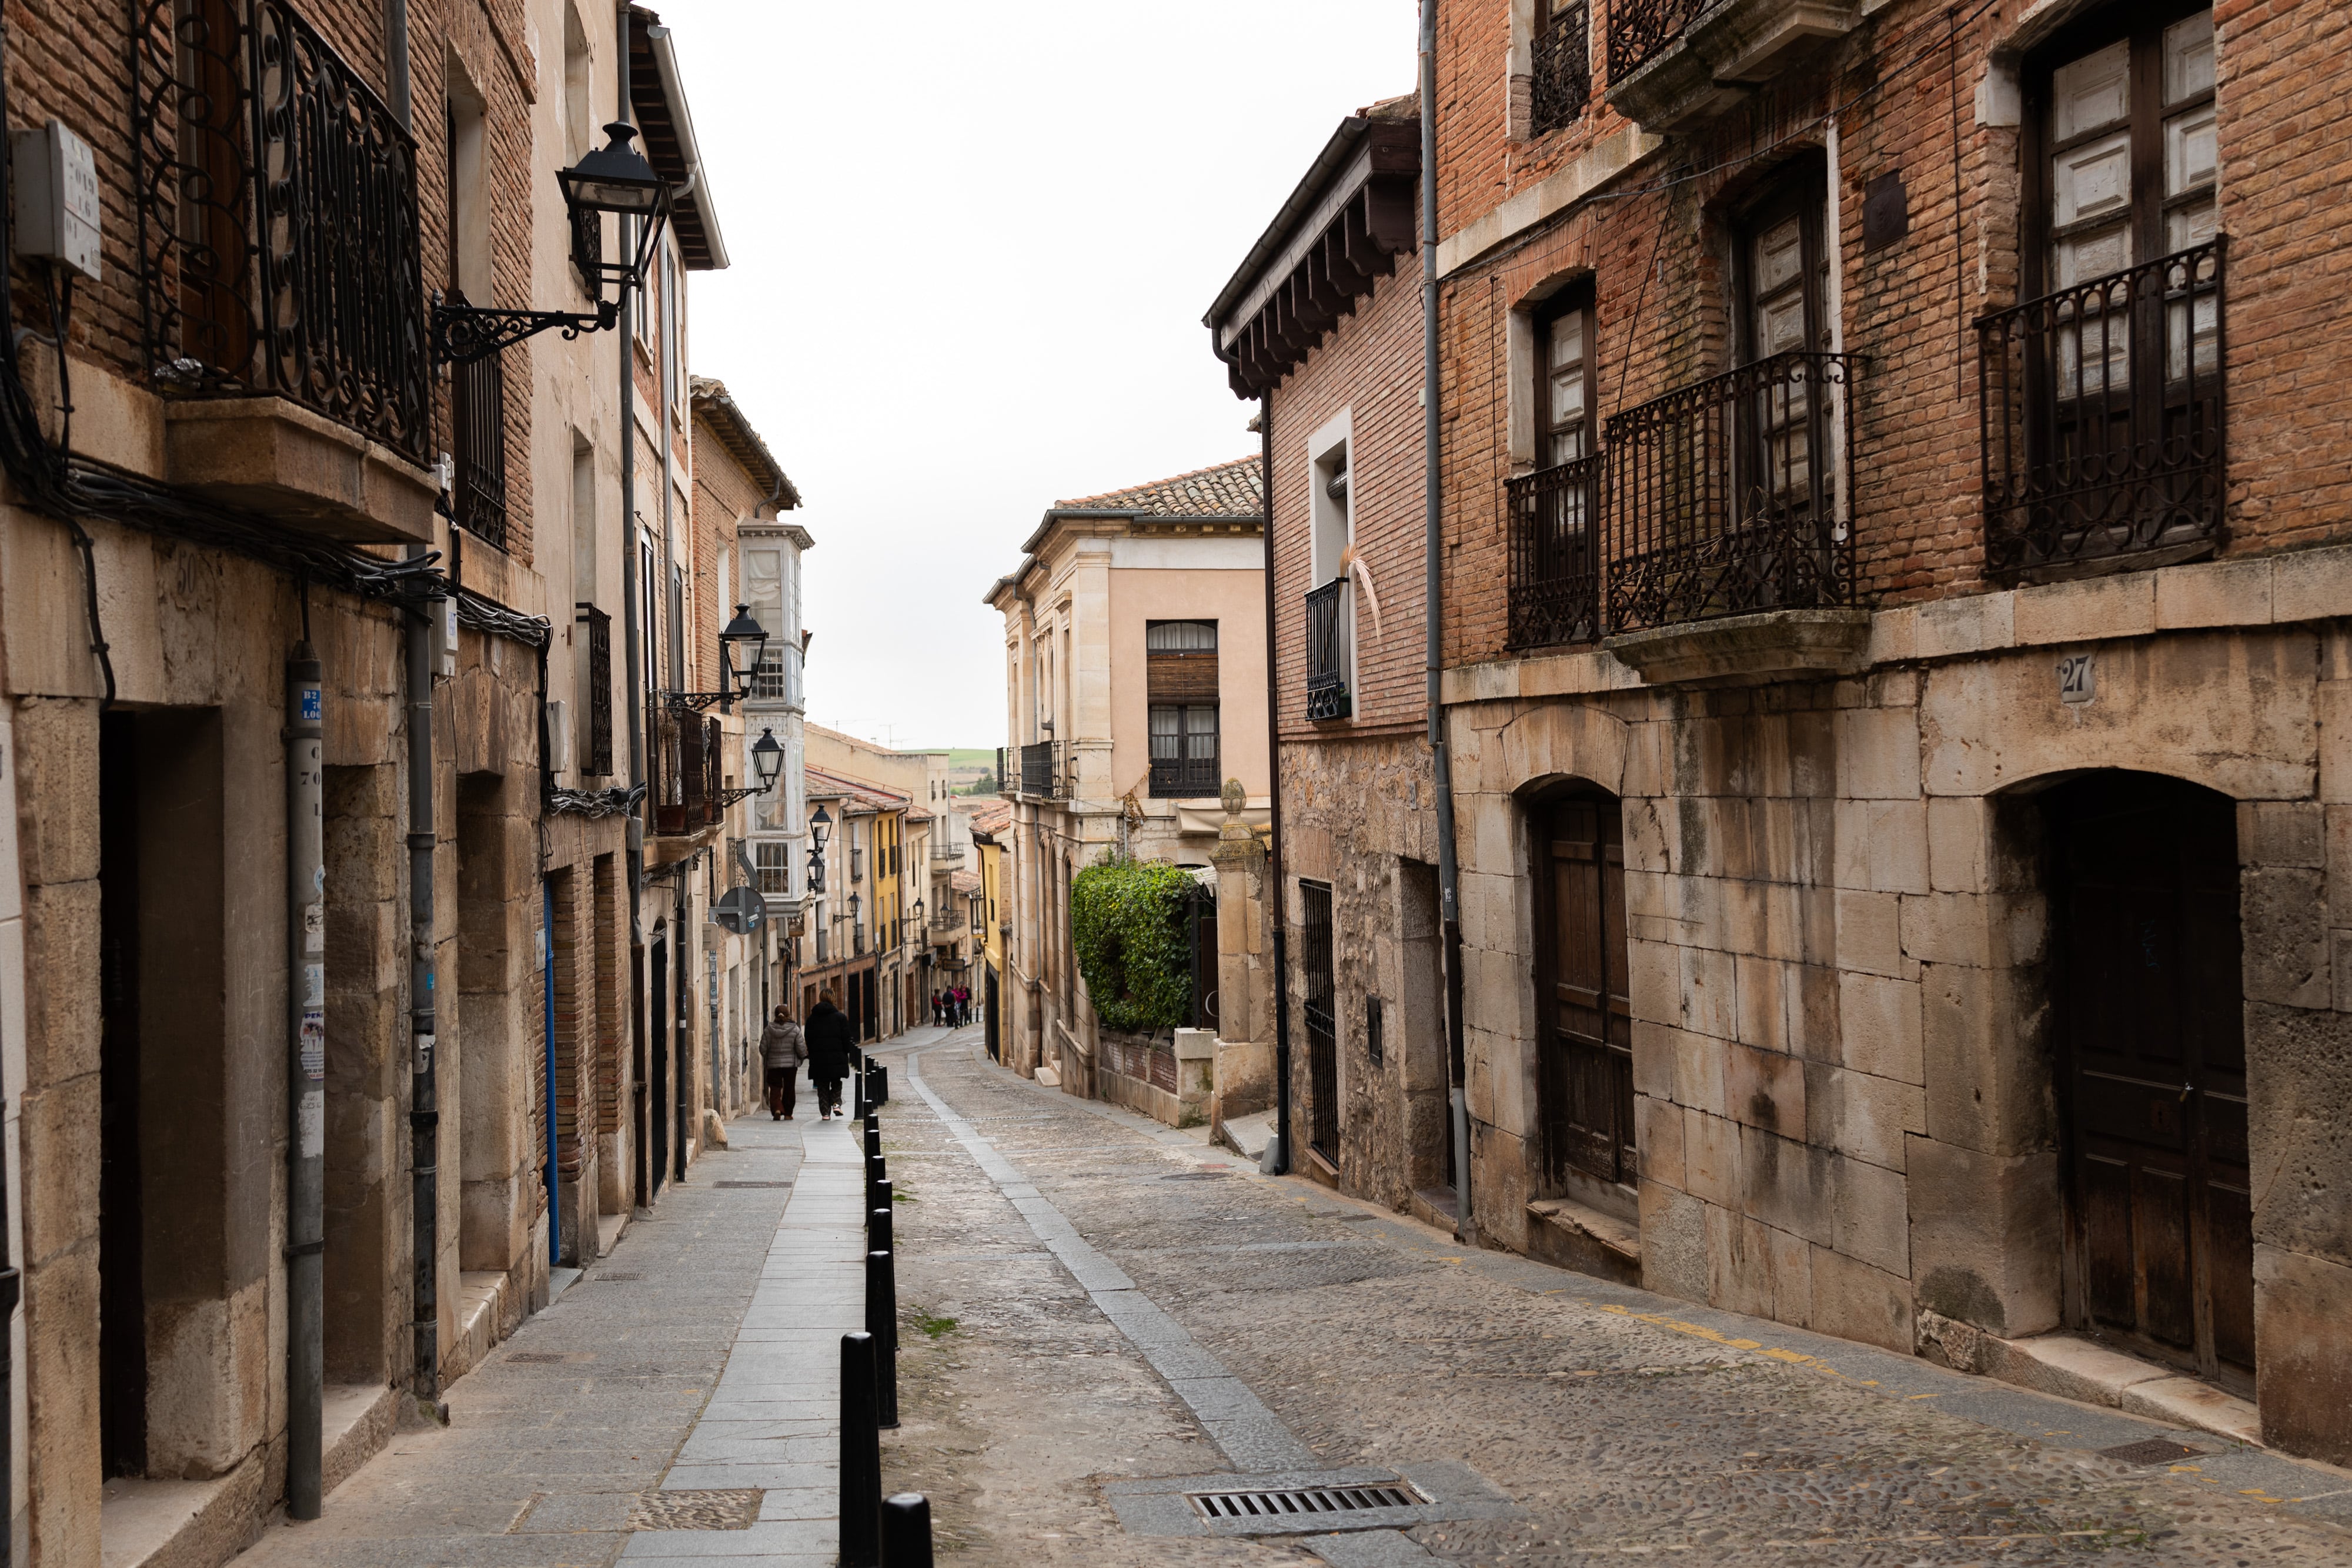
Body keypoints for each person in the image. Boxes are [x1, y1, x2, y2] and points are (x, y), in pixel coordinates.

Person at [804, 988, 856, 1119]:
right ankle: (836, 1104)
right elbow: (846, 1038)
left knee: (822, 1085)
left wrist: (812, 1053)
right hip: (837, 1058)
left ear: (820, 998)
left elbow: (808, 1038)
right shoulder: (840, 1018)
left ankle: (825, 1114)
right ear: (834, 999)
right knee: (836, 1082)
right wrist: (846, 1052)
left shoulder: (812, 1019)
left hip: (819, 1059)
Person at [759, 1005, 804, 1120]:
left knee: (775, 1088)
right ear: (788, 1015)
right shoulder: (795, 1029)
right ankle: (788, 1114)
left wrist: (769, 1057)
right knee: (789, 1088)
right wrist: (802, 1057)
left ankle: (777, 1109)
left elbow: (763, 1049)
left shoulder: (769, 1030)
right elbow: (801, 1048)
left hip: (773, 1065)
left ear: (775, 1014)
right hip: (790, 1066)